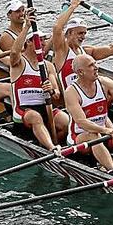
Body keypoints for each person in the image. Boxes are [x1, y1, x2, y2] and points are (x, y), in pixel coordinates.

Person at [65, 53, 113, 176]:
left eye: (95, 63)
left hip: (105, 133)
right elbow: (82, 122)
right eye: (91, 65)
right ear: (80, 72)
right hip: (79, 137)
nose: (96, 67)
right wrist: (106, 130)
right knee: (93, 135)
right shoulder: (71, 92)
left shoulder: (104, 83)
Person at [9, 12, 69, 150]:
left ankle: (45, 144)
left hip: (45, 108)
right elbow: (13, 53)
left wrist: (51, 89)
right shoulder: (19, 63)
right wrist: (27, 27)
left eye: (43, 40)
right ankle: (51, 148)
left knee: (65, 122)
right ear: (29, 42)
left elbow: (57, 95)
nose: (43, 44)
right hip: (23, 111)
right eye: (38, 40)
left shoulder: (48, 66)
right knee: (35, 117)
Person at [52, 0, 113, 91]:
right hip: (74, 100)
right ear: (69, 33)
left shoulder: (86, 52)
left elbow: (112, 49)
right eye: (80, 33)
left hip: (93, 96)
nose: (83, 36)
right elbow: (57, 28)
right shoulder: (62, 51)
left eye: (85, 33)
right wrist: (73, 6)